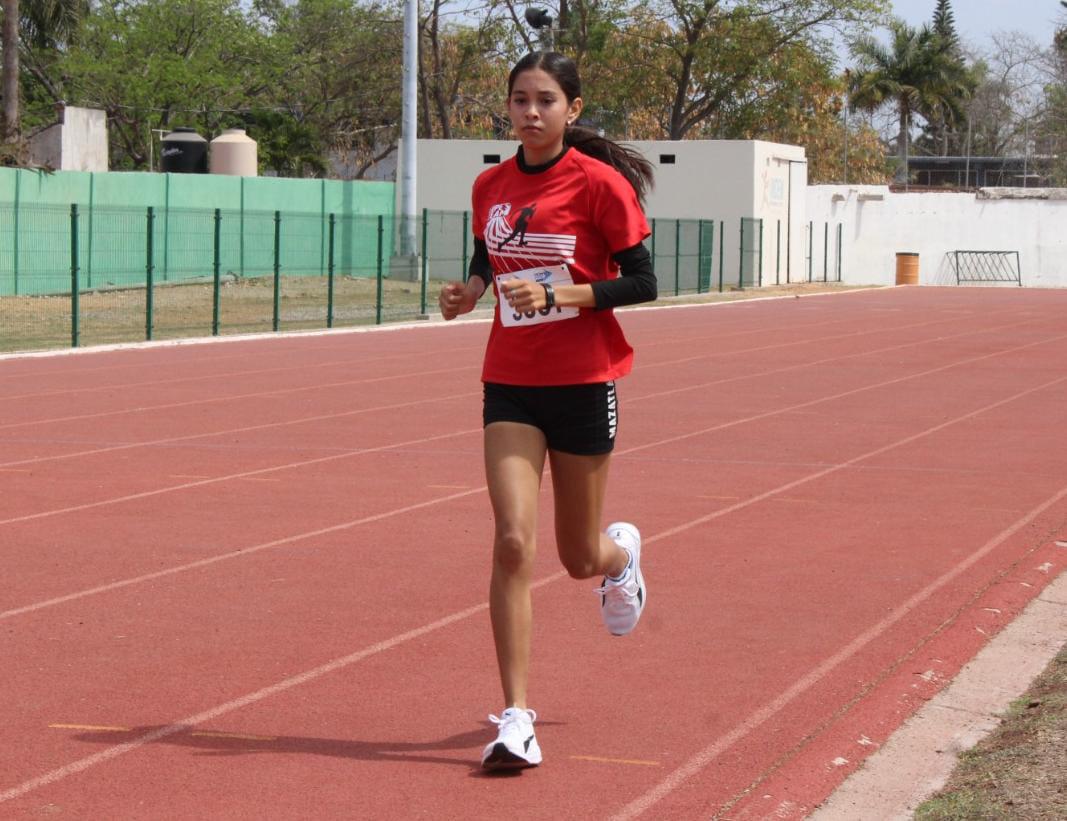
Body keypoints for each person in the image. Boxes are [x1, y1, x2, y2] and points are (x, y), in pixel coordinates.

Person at [437, 50, 658, 772]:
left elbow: (644, 282)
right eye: (519, 100)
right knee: (510, 541)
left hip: (583, 381)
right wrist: (471, 291)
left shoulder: (599, 185)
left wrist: (560, 295)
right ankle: (516, 718)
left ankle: (620, 558)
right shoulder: (489, 185)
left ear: (572, 109)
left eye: (545, 101)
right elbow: (488, 254)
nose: (530, 112)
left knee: (576, 557)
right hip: (510, 381)